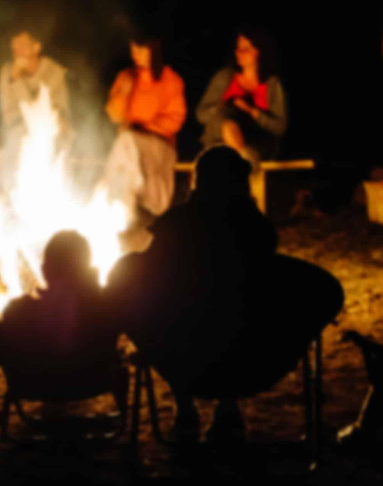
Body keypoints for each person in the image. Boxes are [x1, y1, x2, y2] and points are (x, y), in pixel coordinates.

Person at [105, 147, 343, 444]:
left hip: (181, 362)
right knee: (235, 313)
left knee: (163, 304)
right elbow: (327, 294)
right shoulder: (256, 234)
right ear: (242, 185)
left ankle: (185, 408)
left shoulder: (174, 229)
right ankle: (227, 409)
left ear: (197, 183)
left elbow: (122, 291)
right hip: (251, 367)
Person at [0, 231, 127, 412]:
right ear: (87, 267)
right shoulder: (107, 307)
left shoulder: (18, 312)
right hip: (94, 382)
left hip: (36, 385)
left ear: (46, 270)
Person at [102, 34, 186, 224]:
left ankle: (125, 212)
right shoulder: (126, 76)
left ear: (153, 50)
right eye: (132, 49)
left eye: (140, 49)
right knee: (125, 148)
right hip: (128, 146)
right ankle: (117, 213)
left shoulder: (171, 80)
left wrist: (141, 128)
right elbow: (114, 116)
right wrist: (123, 93)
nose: (135, 55)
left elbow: (175, 120)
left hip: (160, 145)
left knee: (126, 142)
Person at [196, 27, 287, 165]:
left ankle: (241, 162)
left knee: (235, 155)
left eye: (245, 49)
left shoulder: (272, 84)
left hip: (256, 144)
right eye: (238, 49)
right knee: (227, 127)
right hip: (220, 141)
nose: (239, 53)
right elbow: (201, 114)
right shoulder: (225, 77)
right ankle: (239, 162)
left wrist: (252, 111)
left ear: (258, 52)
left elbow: (279, 127)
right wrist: (222, 106)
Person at [0, 29, 71, 139]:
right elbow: (9, 115)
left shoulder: (53, 72)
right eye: (14, 47)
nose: (17, 52)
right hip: (20, 133)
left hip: (52, 132)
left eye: (22, 45)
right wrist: (15, 77)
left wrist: (16, 80)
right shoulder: (7, 72)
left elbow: (41, 115)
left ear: (36, 47)